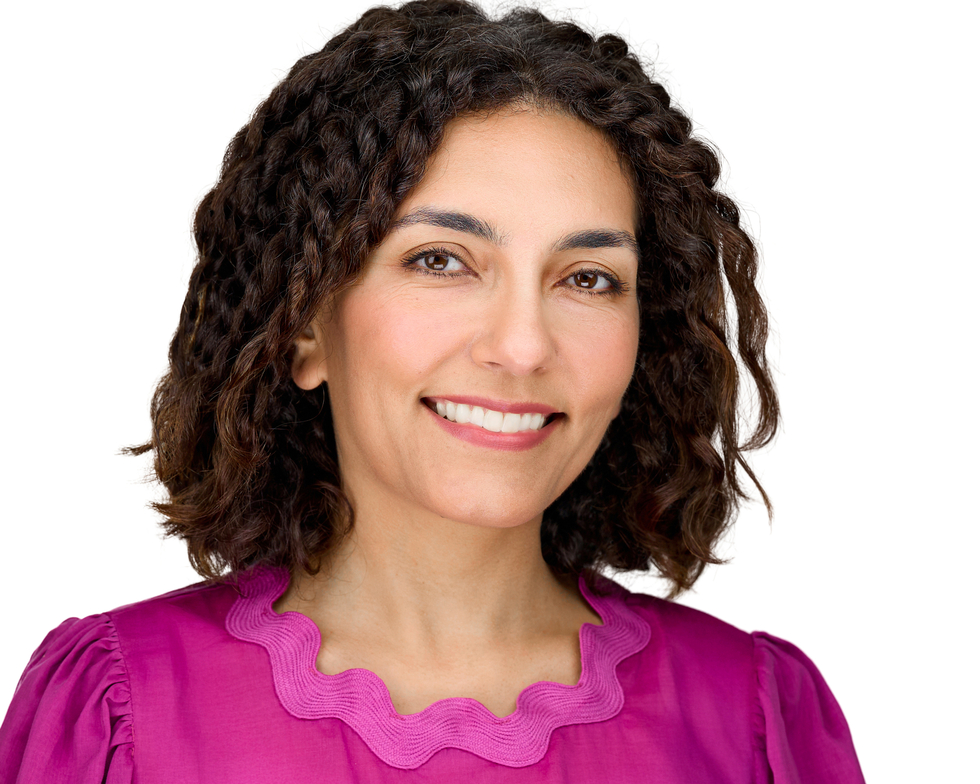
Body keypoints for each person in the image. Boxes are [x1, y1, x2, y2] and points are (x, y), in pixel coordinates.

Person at [0, 0, 866, 780]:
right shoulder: (121, 713)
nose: (522, 346)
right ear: (304, 327)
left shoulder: (751, 719)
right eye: (441, 261)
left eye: (589, 278)